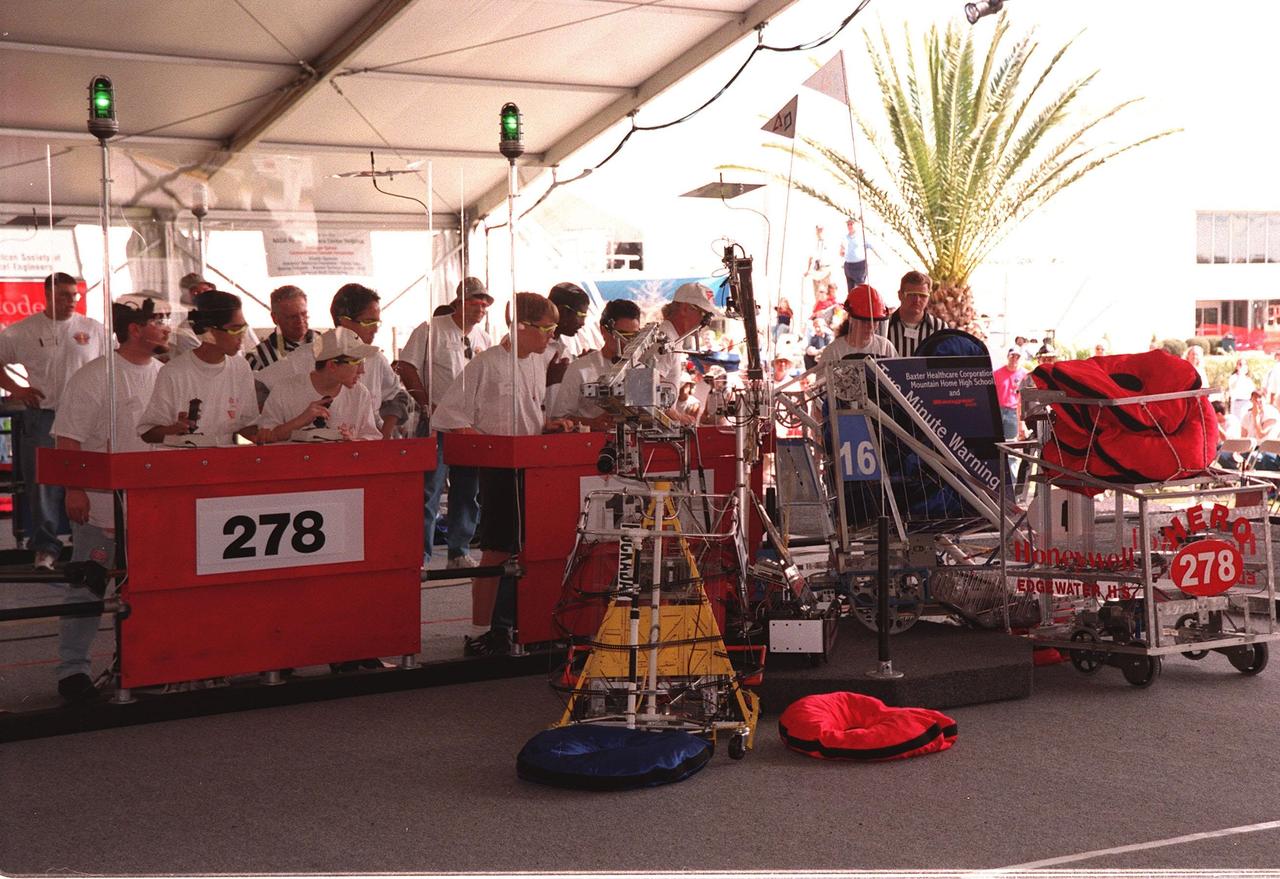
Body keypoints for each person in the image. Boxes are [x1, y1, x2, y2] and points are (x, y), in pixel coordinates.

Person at [432, 292, 573, 656]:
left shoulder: (539, 361)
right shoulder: (486, 364)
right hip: (498, 469)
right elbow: (448, 416)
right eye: (546, 328)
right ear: (521, 326)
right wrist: (488, 446)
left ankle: (518, 623)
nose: (551, 336)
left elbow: (529, 412)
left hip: (533, 466)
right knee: (495, 551)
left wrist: (547, 426)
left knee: (531, 548)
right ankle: (480, 631)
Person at [50, 295, 171, 702]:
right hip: (100, 505)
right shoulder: (94, 377)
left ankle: (136, 663)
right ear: (135, 329)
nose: (166, 325)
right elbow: (68, 438)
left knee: (144, 589)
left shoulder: (164, 375)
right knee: (88, 586)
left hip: (150, 505)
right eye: (158, 319)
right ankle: (73, 670)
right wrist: (74, 489)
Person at [0, 272, 107, 569]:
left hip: (87, 417)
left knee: (91, 478)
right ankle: (46, 548)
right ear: (47, 295)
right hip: (44, 415)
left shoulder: (93, 329)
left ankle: (88, 542)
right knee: (43, 484)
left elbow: (111, 365)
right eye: (63, 295)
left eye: (74, 295)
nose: (71, 300)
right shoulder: (23, 331)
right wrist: (17, 389)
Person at [397, 277, 494, 569]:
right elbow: (406, 366)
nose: (480, 309)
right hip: (436, 424)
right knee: (430, 489)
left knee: (468, 490)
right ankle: (420, 557)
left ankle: (459, 551)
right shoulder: (431, 329)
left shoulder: (484, 339)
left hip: (468, 426)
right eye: (475, 302)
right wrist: (427, 403)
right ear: (459, 303)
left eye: (485, 304)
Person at [137, 289, 259, 446]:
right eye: (234, 329)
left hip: (226, 458)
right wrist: (174, 429)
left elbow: (249, 424)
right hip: (185, 458)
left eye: (244, 328)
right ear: (209, 331)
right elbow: (148, 433)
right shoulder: (174, 372)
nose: (241, 336)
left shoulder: (241, 367)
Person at [257, 328, 381, 443]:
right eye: (357, 362)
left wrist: (352, 443)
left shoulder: (360, 394)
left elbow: (371, 438)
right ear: (332, 365)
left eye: (363, 361)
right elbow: (266, 437)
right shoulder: (285, 390)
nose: (362, 370)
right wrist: (300, 421)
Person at [548, 299, 641, 429]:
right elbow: (559, 418)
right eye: (622, 335)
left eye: (634, 336)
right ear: (603, 331)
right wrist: (593, 423)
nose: (627, 341)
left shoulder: (642, 369)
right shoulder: (580, 369)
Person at [654, 282, 722, 421]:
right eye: (705, 315)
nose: (706, 322)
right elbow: (647, 389)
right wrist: (676, 416)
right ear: (685, 309)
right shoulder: (666, 340)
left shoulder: (673, 338)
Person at [542, 282, 591, 416]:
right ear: (563, 311)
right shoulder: (531, 346)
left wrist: (579, 364)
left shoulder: (561, 346)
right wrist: (548, 380)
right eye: (581, 316)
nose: (583, 323)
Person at [818, 284, 898, 365]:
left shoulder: (885, 348)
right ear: (850, 318)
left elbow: (898, 371)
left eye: (875, 321)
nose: (870, 326)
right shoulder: (833, 352)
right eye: (864, 321)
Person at [246, 285, 314, 371]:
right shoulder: (257, 359)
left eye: (304, 314)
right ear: (275, 318)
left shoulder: (324, 342)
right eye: (292, 317)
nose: (300, 321)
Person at [883, 271, 945, 358]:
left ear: (928, 297)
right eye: (911, 295)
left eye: (922, 295)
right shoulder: (884, 326)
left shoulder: (940, 328)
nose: (917, 300)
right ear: (900, 295)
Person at [993, 348, 1028, 443]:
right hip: (998, 410)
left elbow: (1027, 397)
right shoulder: (996, 373)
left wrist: (1022, 421)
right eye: (1012, 356)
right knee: (997, 440)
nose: (1014, 359)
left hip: (1014, 412)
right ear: (1008, 357)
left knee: (1011, 441)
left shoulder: (1025, 374)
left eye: (1017, 357)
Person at [840, 217, 876, 292]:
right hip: (848, 266)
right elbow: (841, 251)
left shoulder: (861, 236)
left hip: (859, 266)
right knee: (851, 290)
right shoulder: (845, 238)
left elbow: (871, 247)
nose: (850, 226)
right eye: (848, 224)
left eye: (851, 224)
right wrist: (842, 252)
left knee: (860, 288)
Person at [803, 224, 835, 304]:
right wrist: (807, 270)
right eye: (818, 230)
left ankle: (827, 309)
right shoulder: (813, 243)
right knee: (817, 294)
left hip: (825, 271)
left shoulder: (828, 242)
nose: (819, 232)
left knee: (826, 293)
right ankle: (818, 308)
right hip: (816, 272)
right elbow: (810, 258)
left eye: (821, 230)